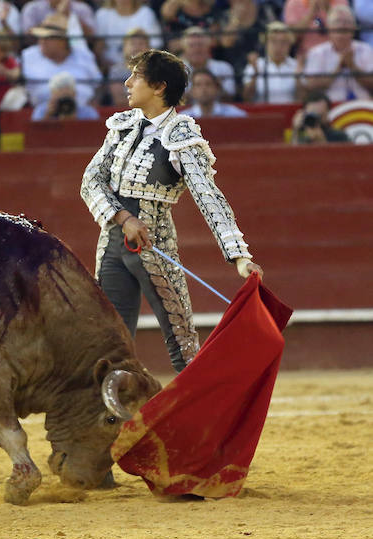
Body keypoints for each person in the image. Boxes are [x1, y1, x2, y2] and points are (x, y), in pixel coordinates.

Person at [80, 49, 262, 373]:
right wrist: (124, 218)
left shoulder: (181, 135)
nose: (128, 82)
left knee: (182, 342)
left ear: (159, 86)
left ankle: (201, 415)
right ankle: (115, 420)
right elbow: (90, 180)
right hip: (113, 241)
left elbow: (209, 196)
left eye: (136, 76)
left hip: (155, 244)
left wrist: (239, 256)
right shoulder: (122, 126)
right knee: (108, 342)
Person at [22, 15, 101, 114]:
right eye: (40, 37)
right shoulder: (27, 56)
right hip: (40, 115)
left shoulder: (84, 56)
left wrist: (93, 105)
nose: (42, 41)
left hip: (81, 114)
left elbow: (99, 86)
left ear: (63, 40)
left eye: (48, 37)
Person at [302, 6, 373, 102]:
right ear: (328, 27)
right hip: (329, 109)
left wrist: (352, 66)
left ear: (354, 27)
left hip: (362, 109)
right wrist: (336, 69)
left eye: (347, 22)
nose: (342, 26)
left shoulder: (366, 50)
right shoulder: (317, 53)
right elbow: (311, 85)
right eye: (338, 21)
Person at [242, 21, 299, 104]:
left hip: (291, 114)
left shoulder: (297, 65)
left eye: (283, 42)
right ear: (266, 44)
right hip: (263, 114)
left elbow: (303, 98)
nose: (278, 47)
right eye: (273, 41)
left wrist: (298, 75)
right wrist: (255, 74)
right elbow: (246, 98)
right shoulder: (256, 65)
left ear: (289, 45)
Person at [94, 0, 162, 68]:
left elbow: (156, 44)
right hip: (111, 67)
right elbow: (99, 47)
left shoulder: (146, 13)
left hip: (142, 65)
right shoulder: (102, 14)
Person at [181, 26, 236, 99]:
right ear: (185, 50)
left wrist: (218, 87)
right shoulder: (177, 70)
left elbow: (231, 96)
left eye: (200, 45)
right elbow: (174, 100)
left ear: (209, 47)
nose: (197, 49)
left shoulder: (224, 67)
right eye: (192, 46)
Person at [283, 0, 349, 55]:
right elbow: (292, 37)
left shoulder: (340, 1)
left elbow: (346, 32)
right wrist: (311, 13)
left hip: (336, 54)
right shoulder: (294, 3)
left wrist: (328, 9)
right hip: (306, 56)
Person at [107, 27, 150, 106]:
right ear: (124, 48)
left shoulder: (155, 70)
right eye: (132, 43)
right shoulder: (116, 70)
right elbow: (119, 100)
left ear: (148, 48)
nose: (137, 47)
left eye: (141, 43)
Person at [180, 68, 247, 117]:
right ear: (192, 91)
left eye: (208, 84)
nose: (204, 89)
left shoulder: (235, 115)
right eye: (198, 85)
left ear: (216, 89)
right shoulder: (182, 119)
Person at [32, 71, 99, 120]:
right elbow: (34, 133)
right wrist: (47, 116)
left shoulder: (88, 112)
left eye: (67, 97)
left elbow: (94, 132)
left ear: (74, 93)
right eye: (61, 98)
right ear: (52, 94)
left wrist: (75, 119)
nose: (65, 106)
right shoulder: (42, 111)